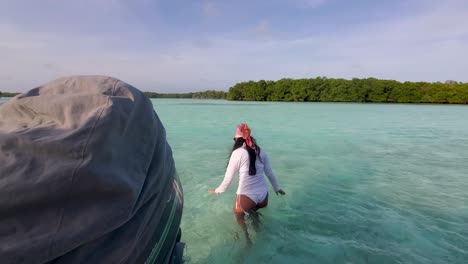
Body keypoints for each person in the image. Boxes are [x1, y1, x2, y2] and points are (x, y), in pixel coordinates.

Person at [209, 123, 285, 245]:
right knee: (254, 214)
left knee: (239, 216)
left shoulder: (238, 153)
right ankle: (260, 236)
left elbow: (228, 177)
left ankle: (247, 241)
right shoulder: (261, 151)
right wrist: (277, 188)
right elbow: (269, 173)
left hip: (246, 197)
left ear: (237, 139)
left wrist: (218, 190)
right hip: (263, 197)